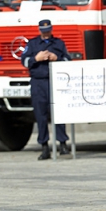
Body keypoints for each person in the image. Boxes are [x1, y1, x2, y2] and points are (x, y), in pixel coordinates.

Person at [21, 19, 72, 160]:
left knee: (58, 114)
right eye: (44, 31)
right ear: (39, 31)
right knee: (41, 115)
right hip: (38, 83)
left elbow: (68, 60)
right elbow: (24, 61)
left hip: (55, 81)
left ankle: (63, 144)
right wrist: (36, 58)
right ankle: (44, 147)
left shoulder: (59, 44)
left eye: (48, 30)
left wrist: (57, 58)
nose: (46, 33)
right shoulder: (32, 44)